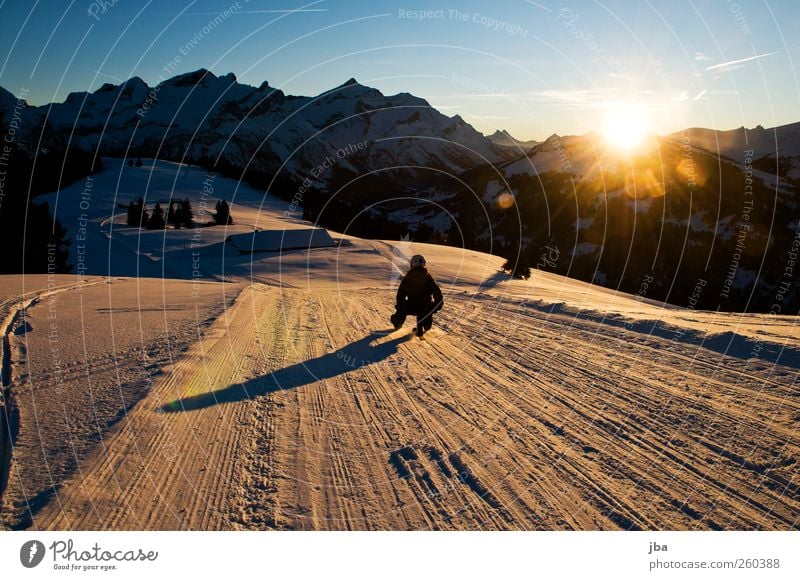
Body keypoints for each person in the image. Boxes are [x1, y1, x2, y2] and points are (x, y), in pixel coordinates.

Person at [391, 254, 444, 338]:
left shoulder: (407, 278)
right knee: (427, 326)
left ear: (412, 264)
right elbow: (438, 295)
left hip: (411, 306)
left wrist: (400, 306)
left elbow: (400, 295)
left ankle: (397, 322)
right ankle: (424, 325)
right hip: (426, 307)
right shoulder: (429, 278)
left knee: (399, 316)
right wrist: (435, 307)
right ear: (423, 264)